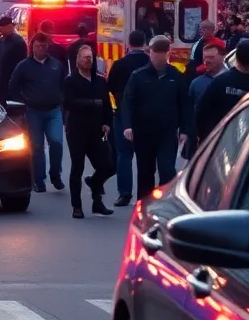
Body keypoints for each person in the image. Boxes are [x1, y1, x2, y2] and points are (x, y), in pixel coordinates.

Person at [120, 36, 190, 200]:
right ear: (149, 53)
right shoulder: (138, 76)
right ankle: (143, 205)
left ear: (167, 54)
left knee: (167, 169)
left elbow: (185, 104)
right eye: (154, 54)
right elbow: (127, 102)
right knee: (145, 171)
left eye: (161, 55)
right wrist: (127, 126)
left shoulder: (176, 76)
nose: (157, 58)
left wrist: (185, 129)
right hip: (143, 132)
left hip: (167, 132)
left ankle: (166, 203)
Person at [7, 32, 66, 192]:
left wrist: (62, 103)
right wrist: (21, 104)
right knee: (37, 146)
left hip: (54, 110)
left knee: (56, 143)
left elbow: (64, 85)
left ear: (48, 47)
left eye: (44, 45)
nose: (41, 48)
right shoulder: (24, 66)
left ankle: (56, 174)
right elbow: (13, 86)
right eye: (38, 45)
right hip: (33, 111)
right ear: (32, 46)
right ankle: (39, 180)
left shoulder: (56, 65)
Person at [61, 43, 115, 219]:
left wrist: (107, 122)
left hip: (96, 130)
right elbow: (68, 103)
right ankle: (77, 206)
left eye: (90, 57)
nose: (88, 60)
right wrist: (91, 104)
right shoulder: (70, 81)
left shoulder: (99, 81)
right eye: (85, 57)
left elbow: (106, 104)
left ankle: (96, 197)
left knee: (107, 166)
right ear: (77, 61)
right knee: (77, 167)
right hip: (76, 130)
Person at [106, 30, 149, 207]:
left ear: (129, 44)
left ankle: (124, 194)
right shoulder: (149, 63)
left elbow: (110, 87)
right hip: (145, 115)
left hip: (122, 115)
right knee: (145, 156)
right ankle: (144, 195)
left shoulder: (119, 64)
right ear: (145, 43)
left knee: (124, 155)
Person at [195, 38, 249, 143]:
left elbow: (201, 111)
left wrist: (204, 138)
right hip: (246, 145)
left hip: (218, 142)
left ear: (236, 57)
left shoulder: (219, 81)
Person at [184, 37, 226, 157]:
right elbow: (189, 110)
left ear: (223, 57)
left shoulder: (230, 81)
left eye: (211, 58)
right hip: (200, 141)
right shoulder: (196, 83)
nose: (207, 61)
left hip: (224, 139)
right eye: (205, 58)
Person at [0, 16, 27, 102]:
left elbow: (21, 61)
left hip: (12, 77)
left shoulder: (17, 42)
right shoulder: (3, 39)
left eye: (1, 28)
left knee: (11, 103)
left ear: (9, 27)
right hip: (4, 77)